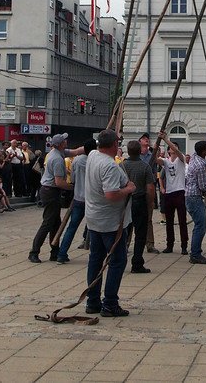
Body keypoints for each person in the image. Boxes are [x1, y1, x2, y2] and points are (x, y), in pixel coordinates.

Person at [84, 129, 135, 318]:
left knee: (95, 259)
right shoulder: (109, 165)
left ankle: (92, 302)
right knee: (117, 261)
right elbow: (111, 194)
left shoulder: (93, 155)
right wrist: (129, 188)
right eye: (118, 142)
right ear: (114, 144)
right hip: (110, 222)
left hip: (94, 218)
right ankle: (110, 303)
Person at [29, 133, 71, 263]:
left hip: (50, 191)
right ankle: (34, 252)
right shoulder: (57, 159)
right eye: (64, 140)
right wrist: (73, 187)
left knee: (56, 224)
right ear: (61, 144)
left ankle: (55, 252)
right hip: (50, 191)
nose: (66, 141)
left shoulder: (56, 152)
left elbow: (75, 151)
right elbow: (59, 182)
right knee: (48, 223)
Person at [185, 125, 206, 265]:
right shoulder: (199, 166)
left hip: (190, 196)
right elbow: (202, 186)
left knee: (199, 225)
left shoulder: (195, 156)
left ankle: (195, 252)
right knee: (201, 225)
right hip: (194, 197)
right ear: (203, 151)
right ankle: (195, 254)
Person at [120, 140, 155, 272]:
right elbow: (150, 188)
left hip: (125, 202)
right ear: (140, 151)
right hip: (140, 201)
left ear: (128, 152)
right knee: (140, 234)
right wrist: (150, 203)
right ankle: (137, 263)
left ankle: (119, 260)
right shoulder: (145, 167)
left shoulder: (121, 166)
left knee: (123, 232)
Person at [57, 139, 93, 264]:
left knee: (72, 227)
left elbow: (72, 179)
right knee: (95, 228)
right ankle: (95, 255)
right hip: (92, 200)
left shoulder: (77, 160)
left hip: (78, 197)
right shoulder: (95, 161)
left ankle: (62, 254)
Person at [158, 131, 188, 255]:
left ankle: (184, 245)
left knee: (182, 221)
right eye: (171, 148)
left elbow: (177, 151)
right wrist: (156, 146)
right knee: (169, 222)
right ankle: (169, 245)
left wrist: (165, 139)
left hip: (180, 192)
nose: (172, 148)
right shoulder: (166, 161)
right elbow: (156, 160)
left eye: (174, 147)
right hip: (169, 193)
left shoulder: (181, 159)